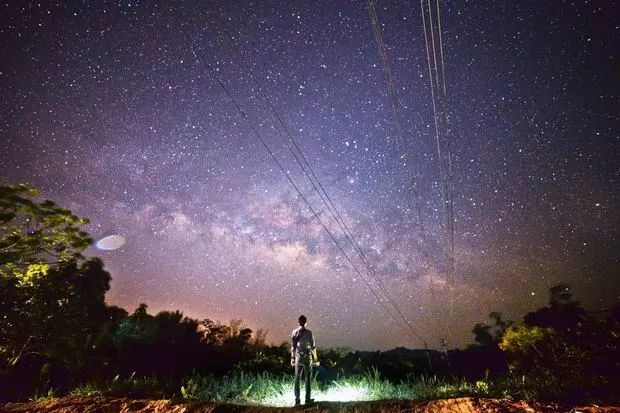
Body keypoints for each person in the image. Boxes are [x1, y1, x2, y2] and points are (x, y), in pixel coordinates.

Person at [291, 315, 319, 406]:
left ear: (298, 322)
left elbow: (293, 347)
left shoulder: (294, 332)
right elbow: (313, 347)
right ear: (306, 323)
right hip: (307, 359)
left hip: (298, 359)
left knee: (297, 378)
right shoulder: (309, 333)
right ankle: (307, 399)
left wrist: (292, 359)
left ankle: (297, 401)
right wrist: (316, 359)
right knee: (308, 378)